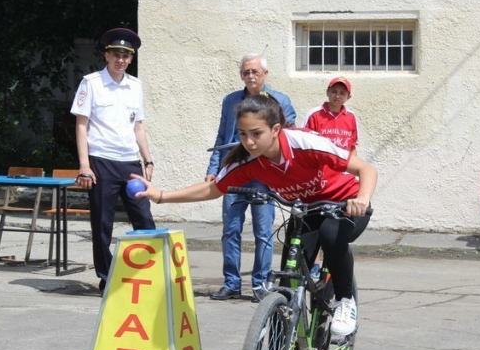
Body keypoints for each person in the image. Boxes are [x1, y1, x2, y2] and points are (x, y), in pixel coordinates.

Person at [135, 94, 377, 337]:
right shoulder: (247, 161)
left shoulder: (304, 143)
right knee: (289, 280)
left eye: (256, 133)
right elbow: (212, 189)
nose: (249, 142)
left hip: (346, 203)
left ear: (275, 129)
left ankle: (346, 301)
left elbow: (365, 169)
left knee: (331, 234)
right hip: (307, 210)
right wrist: (161, 195)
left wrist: (362, 199)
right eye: (242, 134)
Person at [205, 54, 296, 302]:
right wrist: (213, 168)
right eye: (246, 72)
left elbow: (289, 136)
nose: (251, 76)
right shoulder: (231, 100)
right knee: (230, 230)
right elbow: (222, 137)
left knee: (263, 232)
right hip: (234, 171)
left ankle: (260, 285)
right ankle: (232, 283)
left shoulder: (280, 100)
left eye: (255, 71)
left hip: (264, 175)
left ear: (265, 74)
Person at [71, 28, 156, 290]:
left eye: (126, 55)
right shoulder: (91, 83)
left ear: (131, 59)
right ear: (107, 55)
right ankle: (107, 278)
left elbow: (138, 126)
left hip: (130, 162)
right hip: (102, 162)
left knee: (144, 219)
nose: (121, 59)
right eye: (116, 54)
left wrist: (148, 160)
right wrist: (84, 166)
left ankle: (147, 273)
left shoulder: (135, 85)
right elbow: (81, 126)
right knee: (102, 224)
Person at [300, 76, 361, 280]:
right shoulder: (315, 114)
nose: (337, 96)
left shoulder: (351, 117)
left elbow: (352, 149)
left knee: (333, 229)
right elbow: (303, 145)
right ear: (327, 92)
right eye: (334, 91)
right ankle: (314, 265)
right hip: (319, 182)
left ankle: (331, 269)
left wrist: (357, 179)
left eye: (342, 93)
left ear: (348, 97)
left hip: (341, 184)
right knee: (313, 226)